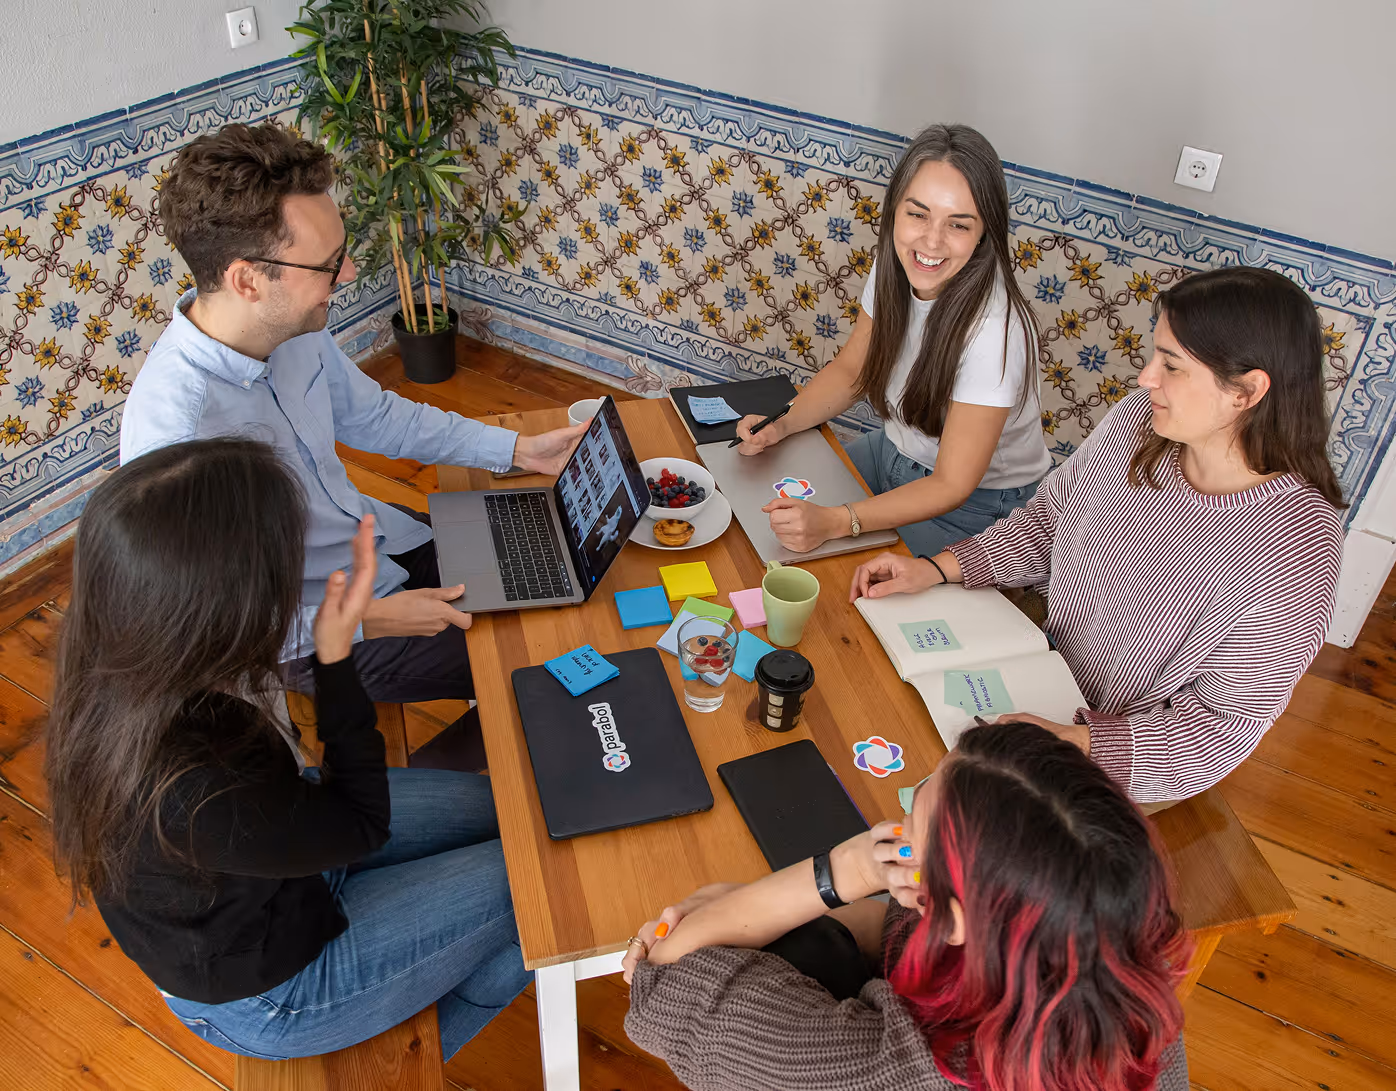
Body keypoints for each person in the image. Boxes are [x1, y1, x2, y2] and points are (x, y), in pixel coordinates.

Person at [44, 438, 531, 1060]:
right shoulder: (193, 787)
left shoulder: (119, 662)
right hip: (273, 987)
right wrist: (334, 657)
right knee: (539, 882)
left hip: (281, 863)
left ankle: (420, 979)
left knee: (513, 816)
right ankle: (407, 1050)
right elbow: (361, 822)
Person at [119, 120, 587, 726]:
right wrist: (372, 617)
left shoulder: (289, 326)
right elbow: (210, 627)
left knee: (556, 564)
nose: (346, 277)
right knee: (540, 659)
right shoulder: (175, 434)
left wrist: (518, 450)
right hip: (313, 633)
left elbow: (375, 417)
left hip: (378, 540)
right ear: (247, 280)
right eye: (328, 264)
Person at [850, 266, 1345, 804]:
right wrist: (938, 568)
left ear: (1247, 391)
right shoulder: (1138, 422)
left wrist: (1073, 742)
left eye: (1171, 365)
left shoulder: (1296, 553)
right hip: (1031, 667)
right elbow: (1047, 522)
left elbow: (1218, 731)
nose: (1146, 378)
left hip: (1115, 766)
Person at [621, 721, 1190, 1090]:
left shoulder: (884, 1072)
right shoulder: (1126, 956)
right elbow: (893, 926)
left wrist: (846, 869)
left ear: (953, 918)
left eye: (912, 820)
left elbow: (669, 976)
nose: (894, 829)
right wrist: (750, 907)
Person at [732, 123, 1049, 557]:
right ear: (895, 209)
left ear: (984, 235)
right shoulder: (895, 262)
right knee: (760, 525)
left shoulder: (995, 331)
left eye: (958, 225)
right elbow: (852, 369)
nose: (931, 241)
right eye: (917, 214)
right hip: (892, 451)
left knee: (835, 572)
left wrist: (838, 521)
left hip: (976, 504)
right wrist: (781, 424)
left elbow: (952, 484)